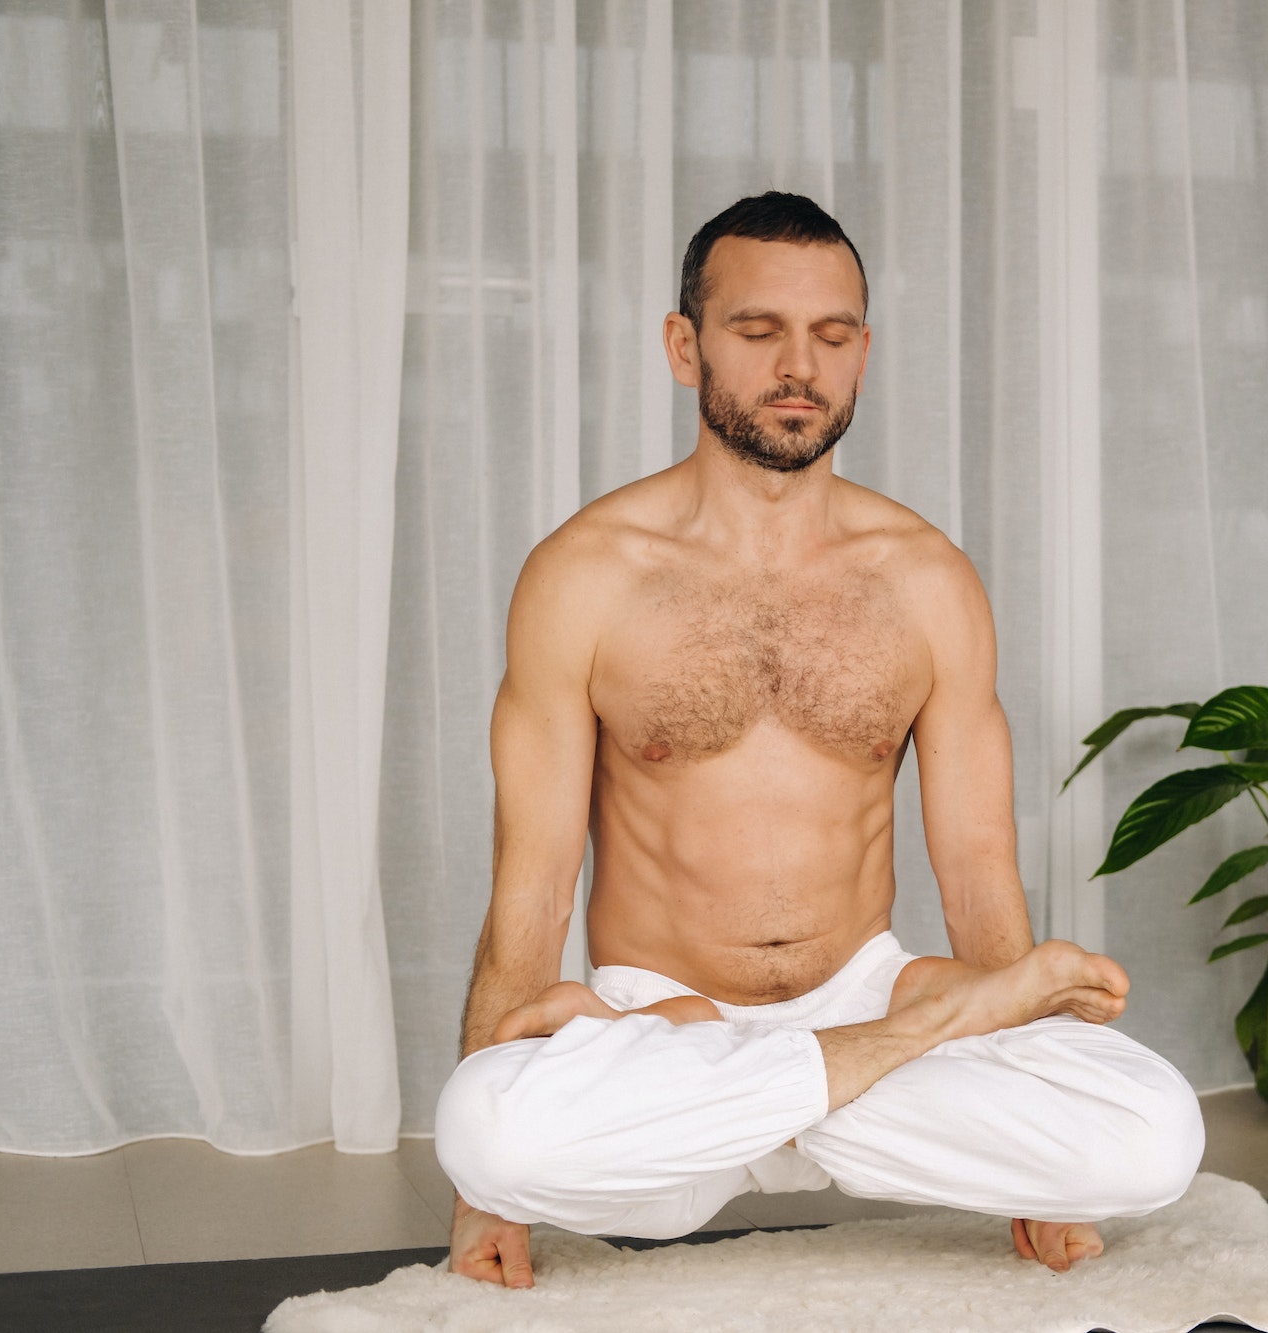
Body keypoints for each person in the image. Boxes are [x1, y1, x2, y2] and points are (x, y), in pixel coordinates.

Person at [433, 192, 1204, 1289]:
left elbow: (978, 874)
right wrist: (482, 1199)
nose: (799, 365)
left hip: (848, 994)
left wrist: (1044, 1163)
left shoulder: (928, 582)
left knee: (1152, 1131)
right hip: (666, 1015)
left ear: (862, 353)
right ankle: (850, 1071)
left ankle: (802, 1083)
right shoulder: (584, 576)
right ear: (683, 346)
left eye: (831, 336)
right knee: (485, 1130)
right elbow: (532, 889)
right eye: (758, 332)